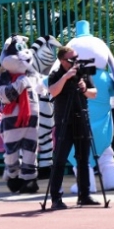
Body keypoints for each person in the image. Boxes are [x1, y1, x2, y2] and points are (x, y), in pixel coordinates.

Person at [44, 38, 98, 208]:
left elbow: (94, 93)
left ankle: (84, 195)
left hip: (81, 118)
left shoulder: (82, 73)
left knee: (83, 159)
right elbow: (53, 91)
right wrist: (66, 77)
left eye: (76, 58)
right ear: (61, 60)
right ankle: (56, 198)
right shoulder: (56, 74)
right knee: (59, 159)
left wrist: (84, 88)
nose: (75, 62)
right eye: (71, 59)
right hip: (63, 121)